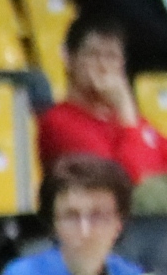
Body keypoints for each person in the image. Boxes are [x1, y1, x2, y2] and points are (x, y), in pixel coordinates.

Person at [1, 154, 148, 275]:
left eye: (98, 216)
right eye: (71, 216)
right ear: (53, 224)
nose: (85, 232)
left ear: (119, 223)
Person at [35, 16, 167, 199]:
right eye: (93, 55)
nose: (104, 66)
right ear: (68, 57)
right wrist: (126, 112)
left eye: (112, 56)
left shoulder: (132, 121)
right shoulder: (59, 122)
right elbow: (127, 185)